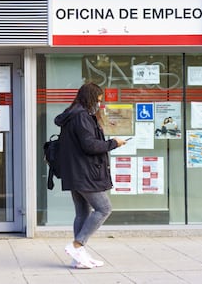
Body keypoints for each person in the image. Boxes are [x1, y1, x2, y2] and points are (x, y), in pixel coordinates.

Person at [54, 82, 127, 269]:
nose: (99, 105)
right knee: (104, 208)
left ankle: (79, 257)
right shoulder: (81, 117)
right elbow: (90, 146)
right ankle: (76, 246)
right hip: (85, 173)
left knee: (82, 213)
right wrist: (114, 143)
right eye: (98, 101)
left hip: (75, 172)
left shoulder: (73, 115)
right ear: (90, 99)